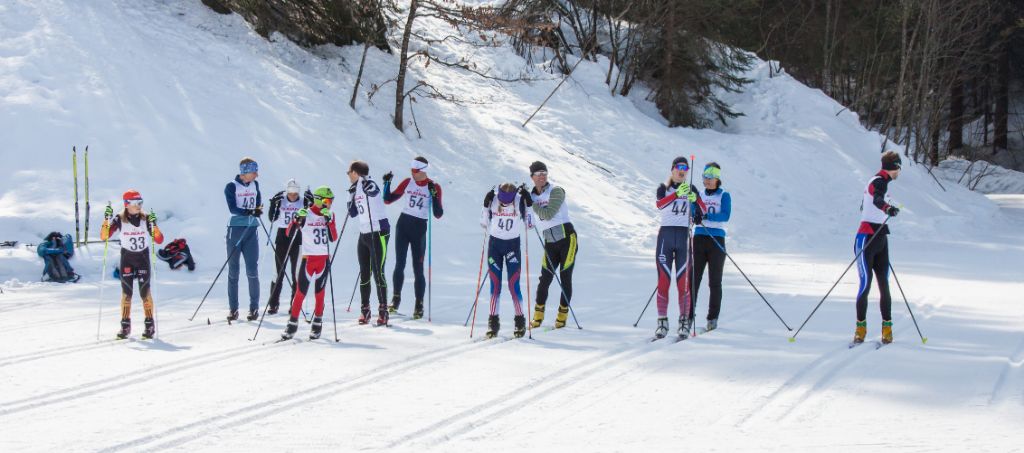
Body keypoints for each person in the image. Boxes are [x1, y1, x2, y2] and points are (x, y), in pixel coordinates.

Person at [382, 157, 444, 319]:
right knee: (399, 264)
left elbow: (438, 214)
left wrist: (434, 195)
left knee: (418, 268)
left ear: (424, 171)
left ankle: (419, 304)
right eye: (411, 170)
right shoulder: (408, 182)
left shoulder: (434, 186)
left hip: (419, 228)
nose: (412, 173)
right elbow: (387, 200)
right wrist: (387, 183)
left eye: (415, 171)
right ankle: (395, 300)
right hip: (403, 225)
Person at [100, 190, 164, 339]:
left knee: (145, 292)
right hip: (127, 258)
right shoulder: (119, 219)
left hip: (142, 258)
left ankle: (149, 326)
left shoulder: (145, 218)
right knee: (126, 293)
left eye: (141, 202)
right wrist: (106, 219)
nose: (139, 205)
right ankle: (125, 326)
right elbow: (104, 236)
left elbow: (159, 239)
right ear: (127, 204)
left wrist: (154, 225)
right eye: (136, 203)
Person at [653, 157, 705, 340]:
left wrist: (695, 201)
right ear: (672, 170)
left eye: (685, 168)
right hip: (666, 238)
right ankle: (662, 321)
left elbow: (703, 210)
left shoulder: (691, 189)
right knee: (663, 281)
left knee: (683, 283)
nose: (682, 171)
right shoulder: (663, 188)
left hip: (683, 237)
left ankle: (683, 321)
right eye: (679, 167)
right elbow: (660, 205)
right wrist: (676, 195)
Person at [853, 151, 902, 345]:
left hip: (880, 237)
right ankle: (860, 329)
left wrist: (884, 209)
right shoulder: (878, 181)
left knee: (884, 285)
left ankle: (887, 330)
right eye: (899, 168)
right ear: (894, 167)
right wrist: (887, 209)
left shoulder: (880, 183)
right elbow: (877, 200)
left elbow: (868, 204)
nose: (899, 172)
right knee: (865, 284)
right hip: (866, 238)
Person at [281, 186, 339, 340]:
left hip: (323, 260)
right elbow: (288, 233)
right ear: (319, 200)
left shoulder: (330, 215)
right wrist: (296, 220)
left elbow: (333, 238)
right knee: (300, 293)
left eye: (331, 201)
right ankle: (292, 324)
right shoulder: (306, 214)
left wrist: (329, 222)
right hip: (308, 259)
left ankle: (317, 323)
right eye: (327, 201)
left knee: (320, 294)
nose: (330, 204)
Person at [527, 161, 578, 329]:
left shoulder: (556, 190)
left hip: (567, 238)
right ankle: (538, 316)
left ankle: (562, 316)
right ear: (532, 177)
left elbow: (548, 214)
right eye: (538, 173)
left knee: (565, 277)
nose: (542, 176)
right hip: (549, 241)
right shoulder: (532, 196)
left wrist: (531, 203)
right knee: (545, 279)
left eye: (544, 173)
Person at [480, 183, 533, 339]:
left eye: (508, 202)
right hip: (495, 246)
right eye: (502, 201)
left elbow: (530, 225)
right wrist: (485, 205)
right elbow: (484, 223)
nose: (504, 204)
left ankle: (520, 321)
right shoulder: (494, 199)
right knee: (495, 284)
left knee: (513, 285)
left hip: (512, 246)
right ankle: (493, 322)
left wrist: (529, 205)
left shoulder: (519, 200)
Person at [346, 161, 391, 326]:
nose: (348, 175)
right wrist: (350, 194)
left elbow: (374, 191)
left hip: (378, 231)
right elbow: (352, 212)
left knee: (378, 272)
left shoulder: (369, 182)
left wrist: (366, 186)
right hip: (364, 233)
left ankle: (383, 310)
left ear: (355, 172)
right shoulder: (356, 187)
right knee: (364, 273)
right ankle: (365, 309)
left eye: (349, 172)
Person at [691, 162, 730, 332]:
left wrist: (706, 215)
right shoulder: (699, 194)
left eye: (710, 178)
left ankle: (712, 318)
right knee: (694, 278)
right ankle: (689, 314)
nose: (707, 180)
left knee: (714, 281)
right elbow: (693, 211)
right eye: (705, 177)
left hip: (716, 239)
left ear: (717, 179)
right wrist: (695, 214)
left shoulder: (724, 195)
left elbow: (725, 215)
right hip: (699, 237)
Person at [223, 157, 262, 322]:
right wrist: (249, 211)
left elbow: (258, 203)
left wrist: (257, 210)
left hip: (251, 230)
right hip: (235, 230)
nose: (256, 175)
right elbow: (233, 208)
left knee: (252, 270)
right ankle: (233, 309)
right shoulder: (231, 186)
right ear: (245, 172)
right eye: (254, 172)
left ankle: (254, 308)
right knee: (234, 271)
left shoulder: (255, 185)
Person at [266, 179, 313, 314]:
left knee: (296, 274)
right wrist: (273, 204)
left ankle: (294, 304)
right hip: (282, 238)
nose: (293, 196)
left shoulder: (303, 201)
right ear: (287, 191)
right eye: (290, 193)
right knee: (277, 273)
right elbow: (272, 218)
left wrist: (311, 203)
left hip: (298, 238)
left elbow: (310, 218)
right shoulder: (281, 201)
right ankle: (273, 304)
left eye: (295, 193)